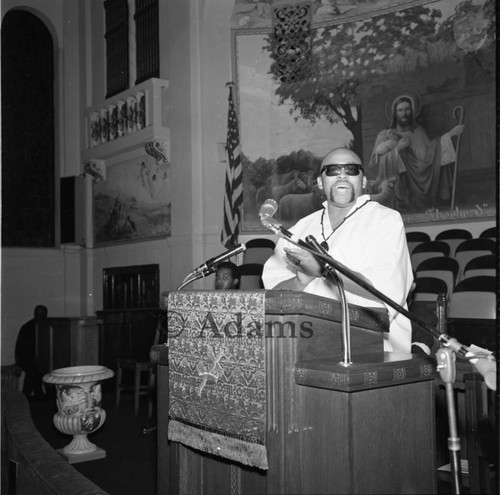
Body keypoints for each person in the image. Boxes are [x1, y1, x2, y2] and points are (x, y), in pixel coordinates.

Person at [262, 147, 414, 353]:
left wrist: (322, 269)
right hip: (305, 340)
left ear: (363, 181)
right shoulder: (300, 228)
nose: (342, 175)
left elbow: (386, 295)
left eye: (351, 170)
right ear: (319, 182)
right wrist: (301, 280)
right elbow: (272, 296)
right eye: (332, 170)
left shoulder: (386, 220)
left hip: (377, 346)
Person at [368, 91, 465, 212]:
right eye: (400, 110)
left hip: (422, 189)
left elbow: (432, 155)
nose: (404, 113)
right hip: (399, 188)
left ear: (412, 111)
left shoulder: (419, 132)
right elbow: (377, 164)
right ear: (394, 113)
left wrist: (451, 134)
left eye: (407, 109)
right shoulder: (384, 135)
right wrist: (398, 150)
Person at [15, 305, 50, 399]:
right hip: (29, 362)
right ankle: (36, 398)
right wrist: (18, 364)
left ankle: (32, 398)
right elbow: (19, 347)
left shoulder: (48, 327)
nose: (39, 315)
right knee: (34, 378)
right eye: (38, 313)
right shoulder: (27, 327)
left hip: (41, 362)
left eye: (41, 313)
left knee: (33, 381)